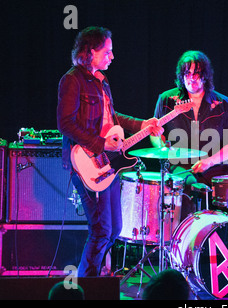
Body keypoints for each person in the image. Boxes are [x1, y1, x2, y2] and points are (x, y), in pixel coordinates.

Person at [57, 26, 163, 277]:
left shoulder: (102, 83)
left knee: (114, 229)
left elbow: (113, 118)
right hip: (86, 162)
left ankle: (94, 281)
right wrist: (100, 144)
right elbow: (65, 123)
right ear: (90, 51)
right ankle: (88, 286)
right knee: (101, 230)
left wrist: (142, 125)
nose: (112, 57)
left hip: (107, 164)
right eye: (107, 51)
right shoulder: (72, 80)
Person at [150, 50, 228, 217]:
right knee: (191, 192)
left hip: (215, 166)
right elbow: (155, 133)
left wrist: (209, 162)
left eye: (196, 73)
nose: (191, 77)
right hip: (181, 167)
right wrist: (163, 148)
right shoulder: (166, 100)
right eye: (187, 73)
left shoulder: (224, 104)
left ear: (205, 76)